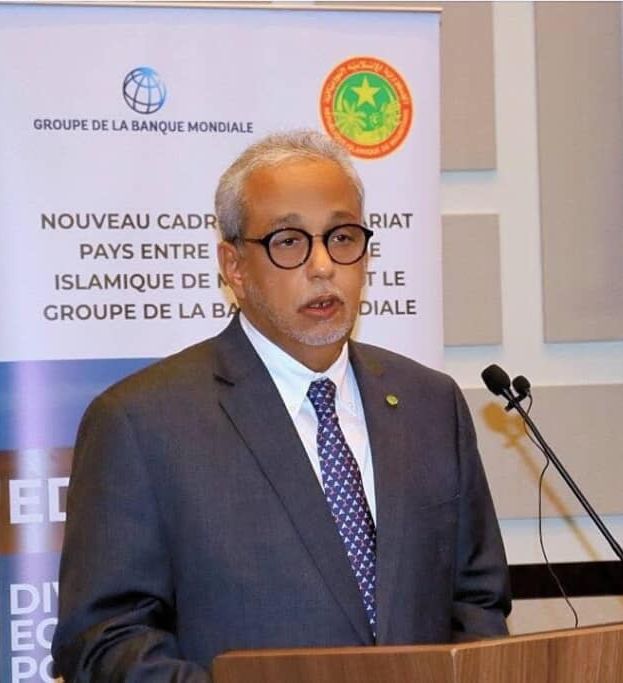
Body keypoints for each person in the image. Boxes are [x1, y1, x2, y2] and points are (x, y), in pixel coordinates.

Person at [51, 130, 511, 682]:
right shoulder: (141, 423)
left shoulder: (430, 404)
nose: (323, 266)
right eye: (289, 242)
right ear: (234, 266)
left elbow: (476, 602)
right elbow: (104, 642)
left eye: (342, 237)